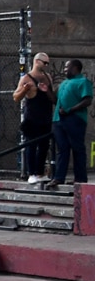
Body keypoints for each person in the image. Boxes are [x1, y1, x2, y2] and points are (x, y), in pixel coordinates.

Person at [15, 52, 56, 184]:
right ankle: (31, 173)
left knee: (44, 146)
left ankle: (39, 172)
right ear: (37, 61)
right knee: (31, 145)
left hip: (46, 117)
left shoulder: (47, 77)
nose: (46, 65)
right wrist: (25, 89)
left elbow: (53, 98)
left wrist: (46, 90)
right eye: (45, 63)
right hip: (32, 118)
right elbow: (16, 96)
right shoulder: (27, 78)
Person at [51, 59, 92, 187]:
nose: (64, 69)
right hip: (58, 119)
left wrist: (70, 110)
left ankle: (80, 179)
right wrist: (47, 90)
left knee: (77, 148)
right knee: (62, 149)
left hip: (75, 119)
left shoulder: (83, 82)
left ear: (75, 68)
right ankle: (59, 177)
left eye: (67, 67)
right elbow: (54, 100)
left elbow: (87, 100)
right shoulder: (63, 84)